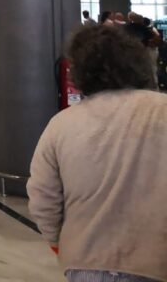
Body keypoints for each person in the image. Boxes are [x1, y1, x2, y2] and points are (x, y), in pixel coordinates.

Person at [28, 25, 167, 282]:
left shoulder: (61, 125)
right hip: (157, 261)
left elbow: (42, 199)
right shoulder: (162, 110)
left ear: (79, 72)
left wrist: (62, 243)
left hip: (87, 263)